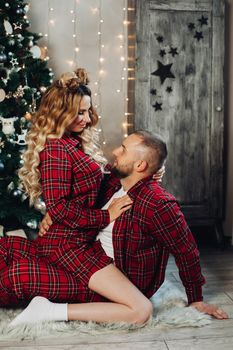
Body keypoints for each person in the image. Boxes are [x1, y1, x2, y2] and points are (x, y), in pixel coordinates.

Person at [8, 131, 228, 326]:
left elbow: (186, 250)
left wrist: (195, 298)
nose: (115, 151)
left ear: (140, 165)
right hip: (82, 257)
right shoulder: (113, 183)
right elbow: (74, 198)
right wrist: (51, 214)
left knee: (20, 275)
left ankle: (49, 311)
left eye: (123, 150)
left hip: (114, 282)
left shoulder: (157, 204)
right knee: (10, 247)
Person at [0, 69, 153, 326]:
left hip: (76, 241)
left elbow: (84, 191)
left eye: (87, 110)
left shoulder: (71, 142)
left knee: (136, 306)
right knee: (141, 311)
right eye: (80, 113)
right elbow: (58, 207)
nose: (87, 118)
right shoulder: (57, 149)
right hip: (68, 246)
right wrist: (106, 215)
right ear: (59, 113)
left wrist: (145, 171)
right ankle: (48, 312)